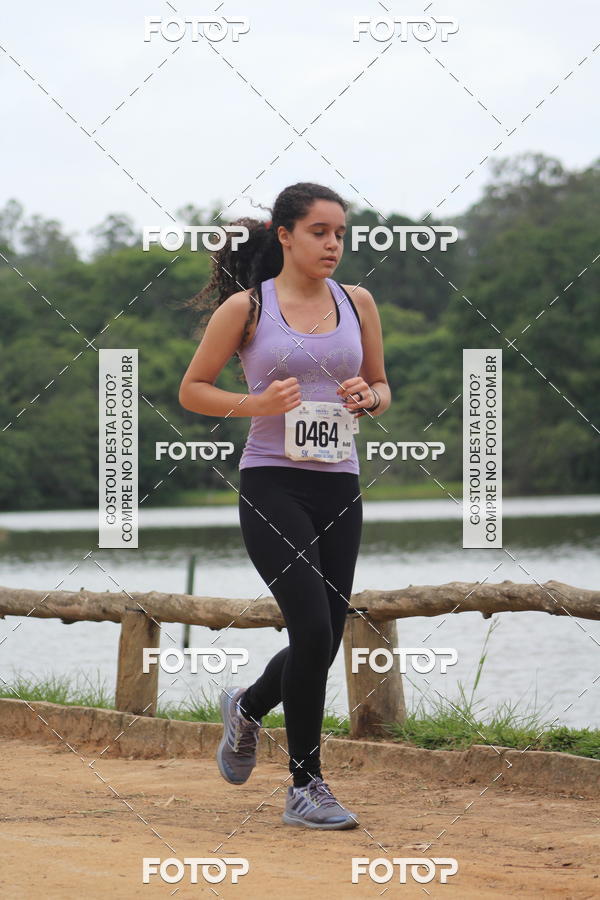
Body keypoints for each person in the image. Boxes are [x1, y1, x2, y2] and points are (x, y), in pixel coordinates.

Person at [179, 181, 390, 829]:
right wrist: (257, 404)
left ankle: (247, 706)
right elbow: (193, 389)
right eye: (320, 232)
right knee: (314, 630)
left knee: (321, 639)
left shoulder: (357, 302)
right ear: (285, 235)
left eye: (340, 234)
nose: (333, 244)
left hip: (339, 485)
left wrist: (369, 397)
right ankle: (305, 787)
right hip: (272, 483)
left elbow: (382, 385)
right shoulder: (247, 308)